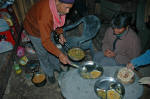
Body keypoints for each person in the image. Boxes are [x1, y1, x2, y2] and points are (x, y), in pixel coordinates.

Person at [23, 0, 75, 83]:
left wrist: (60, 33)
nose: (68, 11)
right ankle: (49, 73)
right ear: (57, 2)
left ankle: (56, 66)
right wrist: (60, 54)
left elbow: (57, 21)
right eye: (66, 7)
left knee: (53, 47)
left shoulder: (55, 6)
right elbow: (46, 41)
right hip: (34, 30)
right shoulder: (45, 16)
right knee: (43, 53)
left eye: (70, 8)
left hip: (46, 27)